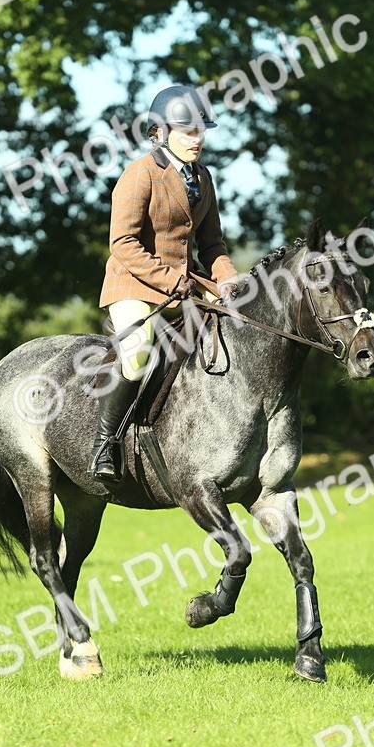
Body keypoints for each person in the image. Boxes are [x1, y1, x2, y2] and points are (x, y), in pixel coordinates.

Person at [88, 84, 241, 481]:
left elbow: (211, 243)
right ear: (163, 131)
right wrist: (172, 279)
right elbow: (122, 243)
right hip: (134, 287)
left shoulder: (202, 178)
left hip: (185, 288)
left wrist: (228, 279)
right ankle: (104, 445)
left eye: (201, 130)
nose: (198, 138)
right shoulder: (139, 174)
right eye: (189, 131)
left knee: (224, 345)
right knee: (138, 352)